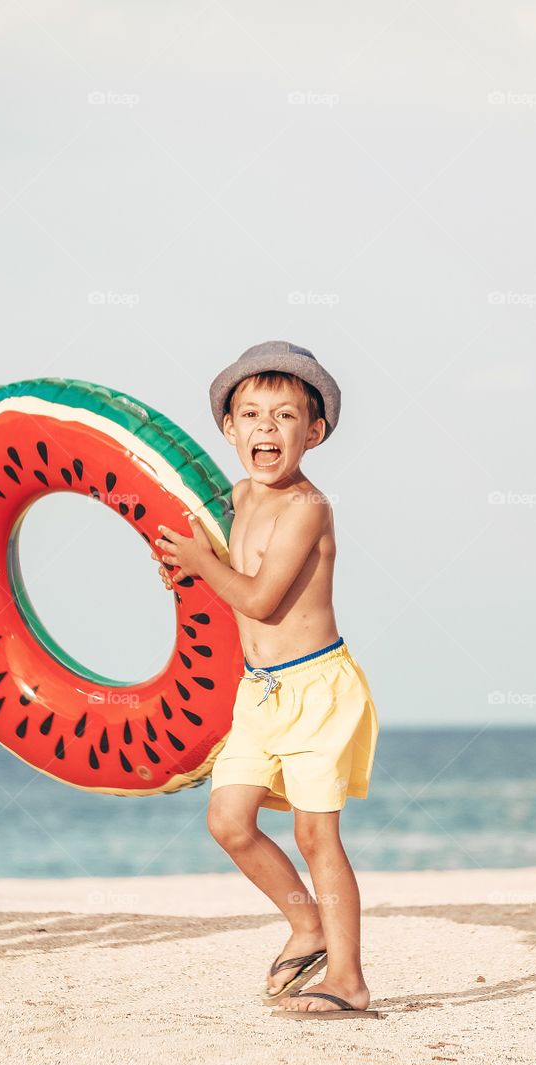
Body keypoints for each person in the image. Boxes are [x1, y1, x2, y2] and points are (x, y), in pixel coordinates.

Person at [153, 341, 380, 1020]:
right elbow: (215, 584)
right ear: (228, 429)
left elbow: (258, 600)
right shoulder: (234, 499)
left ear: (312, 433)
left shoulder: (307, 507)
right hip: (258, 692)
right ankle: (306, 924)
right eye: (250, 414)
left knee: (316, 834)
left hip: (316, 689)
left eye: (284, 416)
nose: (265, 428)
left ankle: (348, 979)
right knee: (227, 820)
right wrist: (184, 567)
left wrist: (203, 561)